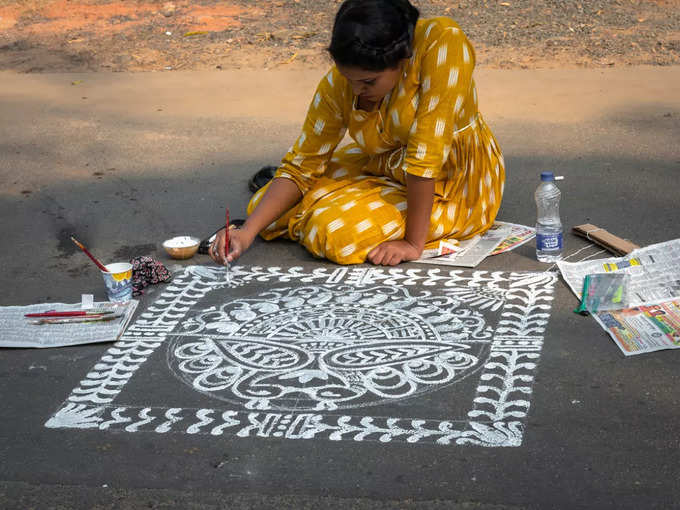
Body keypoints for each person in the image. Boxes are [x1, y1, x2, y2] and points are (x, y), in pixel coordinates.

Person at [210, 0, 505, 267]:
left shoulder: (443, 42)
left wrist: (412, 244)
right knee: (262, 204)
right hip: (386, 165)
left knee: (336, 234)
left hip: (454, 183)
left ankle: (328, 212)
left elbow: (426, 156)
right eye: (349, 79)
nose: (355, 91)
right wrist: (247, 233)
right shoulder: (341, 83)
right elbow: (301, 165)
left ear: (401, 60)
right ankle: (324, 211)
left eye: (367, 82)